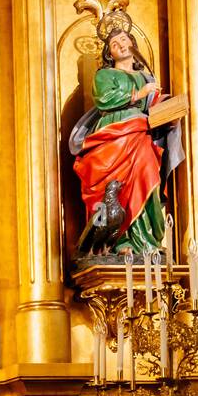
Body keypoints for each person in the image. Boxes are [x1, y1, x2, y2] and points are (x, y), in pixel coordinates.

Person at [70, 27, 183, 256]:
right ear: (110, 53)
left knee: (148, 173)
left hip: (141, 135)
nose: (121, 44)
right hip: (114, 137)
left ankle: (144, 241)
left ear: (132, 44)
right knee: (115, 191)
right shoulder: (105, 75)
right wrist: (139, 94)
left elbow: (152, 110)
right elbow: (104, 100)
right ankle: (120, 242)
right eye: (114, 44)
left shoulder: (146, 78)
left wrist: (169, 112)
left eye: (124, 39)